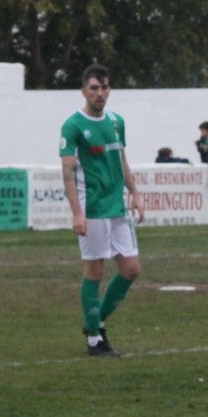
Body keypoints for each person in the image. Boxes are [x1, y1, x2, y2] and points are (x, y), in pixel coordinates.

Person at [60, 63, 145, 358]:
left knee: (131, 269)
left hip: (117, 207)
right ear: (83, 90)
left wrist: (134, 191)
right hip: (92, 208)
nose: (100, 93)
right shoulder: (73, 126)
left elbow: (122, 159)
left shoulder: (117, 121)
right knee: (94, 271)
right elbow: (68, 172)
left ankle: (95, 321)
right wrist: (77, 213)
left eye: (104, 87)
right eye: (94, 88)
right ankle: (95, 340)